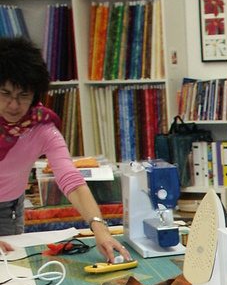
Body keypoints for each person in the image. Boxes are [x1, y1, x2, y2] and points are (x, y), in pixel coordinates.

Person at [0, 36, 130, 262]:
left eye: (23, 95)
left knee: (9, 270)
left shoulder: (42, 129)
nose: (14, 104)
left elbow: (71, 179)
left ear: (35, 95)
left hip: (9, 210)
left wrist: (100, 229)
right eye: (5, 93)